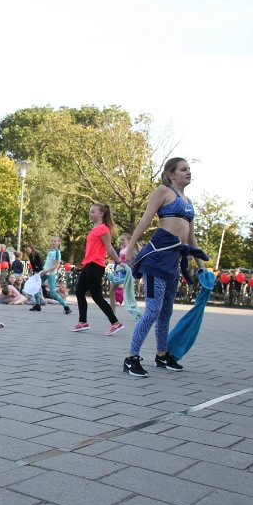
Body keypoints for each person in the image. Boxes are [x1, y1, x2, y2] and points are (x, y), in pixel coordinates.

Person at [123, 157, 207, 377]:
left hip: (173, 261)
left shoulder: (188, 201)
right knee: (152, 310)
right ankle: (131, 358)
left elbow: (191, 238)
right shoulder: (163, 191)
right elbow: (145, 219)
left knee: (166, 312)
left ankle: (162, 355)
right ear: (171, 174)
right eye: (183, 169)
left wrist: (201, 267)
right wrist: (131, 247)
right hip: (157, 257)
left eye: (189, 169)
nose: (188, 172)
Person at [71, 203, 124, 335]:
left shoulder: (103, 229)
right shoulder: (95, 229)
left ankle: (115, 323)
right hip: (88, 264)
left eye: (93, 212)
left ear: (102, 214)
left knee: (97, 297)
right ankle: (82, 322)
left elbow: (109, 248)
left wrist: (119, 262)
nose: (90, 214)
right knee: (79, 291)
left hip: (96, 266)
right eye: (90, 212)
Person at [33, 237, 71, 314]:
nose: (53, 242)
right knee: (35, 285)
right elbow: (48, 263)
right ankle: (37, 305)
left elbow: (55, 265)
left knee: (53, 292)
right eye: (52, 241)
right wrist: (43, 270)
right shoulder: (50, 251)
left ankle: (66, 307)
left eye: (55, 241)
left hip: (51, 274)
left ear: (58, 242)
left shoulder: (57, 252)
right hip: (45, 272)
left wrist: (46, 271)